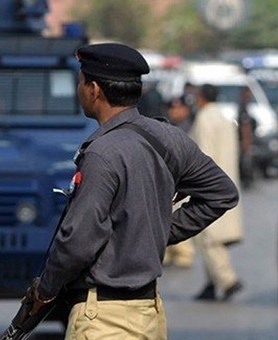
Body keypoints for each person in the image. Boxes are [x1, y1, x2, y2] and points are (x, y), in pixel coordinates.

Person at [19, 43, 239, 339]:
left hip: (103, 320)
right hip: (149, 314)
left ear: (94, 89)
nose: (79, 89)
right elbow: (222, 192)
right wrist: (156, 232)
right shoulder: (169, 138)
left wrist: (45, 291)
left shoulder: (101, 152)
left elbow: (77, 241)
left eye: (81, 81)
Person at [190, 84, 244, 301]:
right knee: (214, 237)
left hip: (208, 185)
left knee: (209, 238)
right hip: (226, 183)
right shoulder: (223, 117)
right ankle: (212, 283)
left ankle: (227, 280)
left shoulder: (204, 119)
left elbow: (203, 154)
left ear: (201, 97)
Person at [163, 95, 196, 269]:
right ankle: (168, 252)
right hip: (170, 178)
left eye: (177, 108)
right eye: (171, 108)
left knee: (180, 212)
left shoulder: (191, 127)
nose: (173, 111)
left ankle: (184, 254)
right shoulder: (169, 127)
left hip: (184, 178)